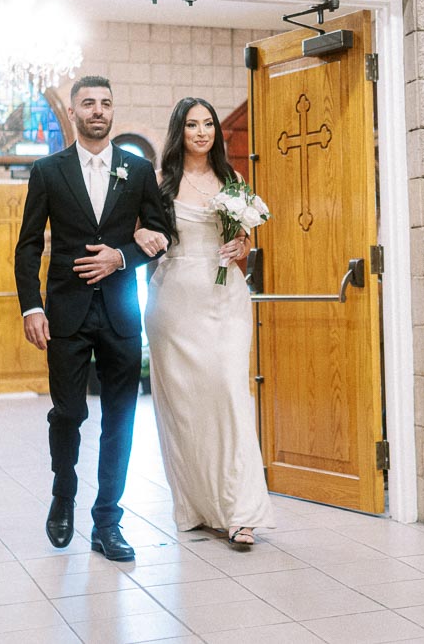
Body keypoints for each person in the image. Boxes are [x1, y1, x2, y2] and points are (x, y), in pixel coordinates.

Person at [14, 76, 169, 561]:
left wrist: (121, 257)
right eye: (88, 103)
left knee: (120, 418)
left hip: (121, 313)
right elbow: (29, 245)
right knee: (68, 413)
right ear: (76, 113)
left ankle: (108, 522)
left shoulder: (138, 170)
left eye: (105, 102)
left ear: (111, 110)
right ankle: (64, 495)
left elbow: (162, 231)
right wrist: (32, 306)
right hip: (67, 312)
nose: (98, 110)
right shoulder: (49, 170)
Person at [133, 97, 274, 548]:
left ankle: (241, 510)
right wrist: (143, 234)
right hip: (174, 303)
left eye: (208, 124)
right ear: (180, 131)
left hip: (225, 299)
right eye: (192, 124)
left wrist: (243, 247)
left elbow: (241, 239)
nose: (201, 132)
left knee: (231, 393)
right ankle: (197, 504)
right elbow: (135, 232)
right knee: (188, 409)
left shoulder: (233, 182)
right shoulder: (159, 184)